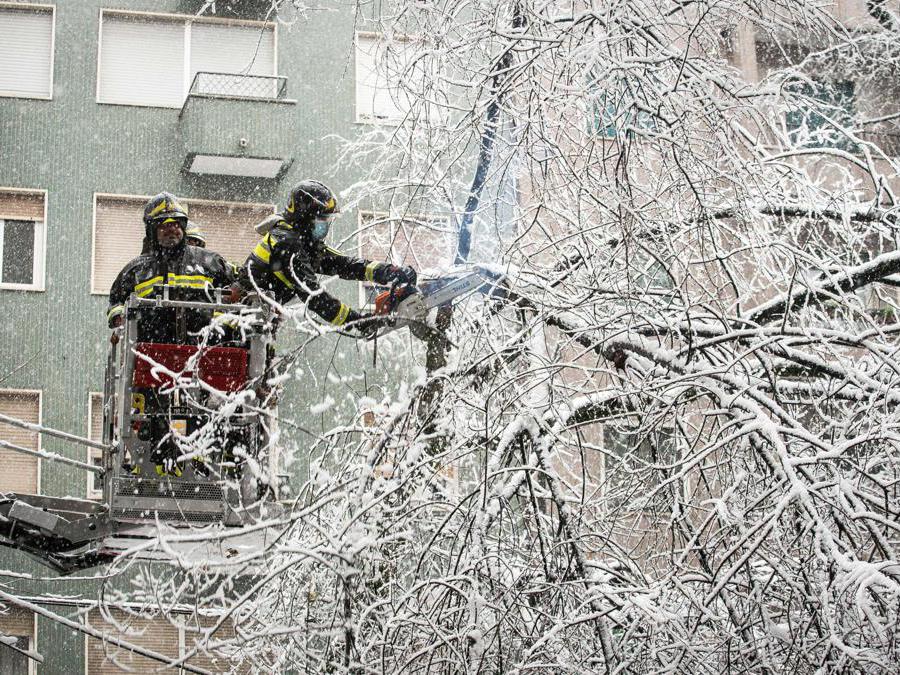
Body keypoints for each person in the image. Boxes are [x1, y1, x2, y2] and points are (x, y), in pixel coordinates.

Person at [239, 179, 416, 334]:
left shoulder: (301, 241)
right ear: (304, 217)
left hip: (256, 321)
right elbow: (314, 296)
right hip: (243, 322)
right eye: (322, 219)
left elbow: (344, 265)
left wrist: (388, 271)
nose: (325, 225)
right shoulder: (287, 243)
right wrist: (356, 320)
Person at [107, 193, 235, 344]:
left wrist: (221, 322)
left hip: (206, 352)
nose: (171, 229)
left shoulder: (209, 261)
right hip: (151, 353)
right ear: (152, 231)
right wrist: (119, 318)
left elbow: (237, 288)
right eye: (164, 225)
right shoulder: (135, 270)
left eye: (175, 223)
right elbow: (115, 302)